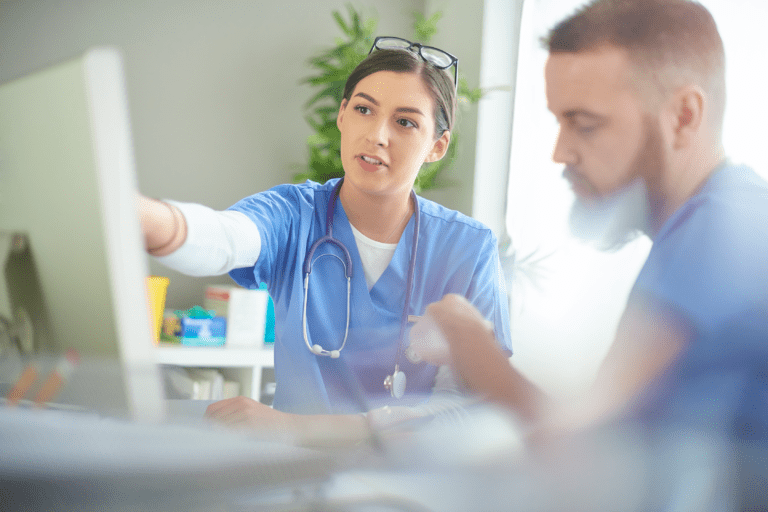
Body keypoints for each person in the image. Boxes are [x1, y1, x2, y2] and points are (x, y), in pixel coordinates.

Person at [415, 0, 768, 444]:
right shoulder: (731, 210)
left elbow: (578, 445)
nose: (560, 152)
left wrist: (471, 345)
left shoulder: (721, 231)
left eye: (584, 125)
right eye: (559, 121)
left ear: (683, 117)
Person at [140, 37, 512, 445]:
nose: (376, 135)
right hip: (293, 480)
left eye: (405, 122)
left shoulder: (466, 249)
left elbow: (469, 413)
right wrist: (139, 216)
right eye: (364, 109)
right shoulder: (293, 214)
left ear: (436, 147)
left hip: (408, 487)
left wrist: (297, 428)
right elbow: (222, 237)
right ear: (341, 115)